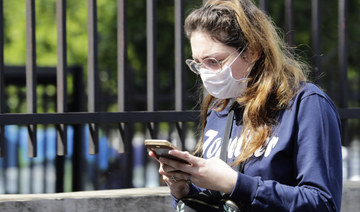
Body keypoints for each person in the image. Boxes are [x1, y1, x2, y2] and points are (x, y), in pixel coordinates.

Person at [149, 0, 342, 211]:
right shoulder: (219, 108)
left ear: (252, 51)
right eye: (197, 63)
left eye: (214, 61)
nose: (206, 72)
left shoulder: (305, 104)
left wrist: (236, 183)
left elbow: (323, 203)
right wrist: (183, 190)